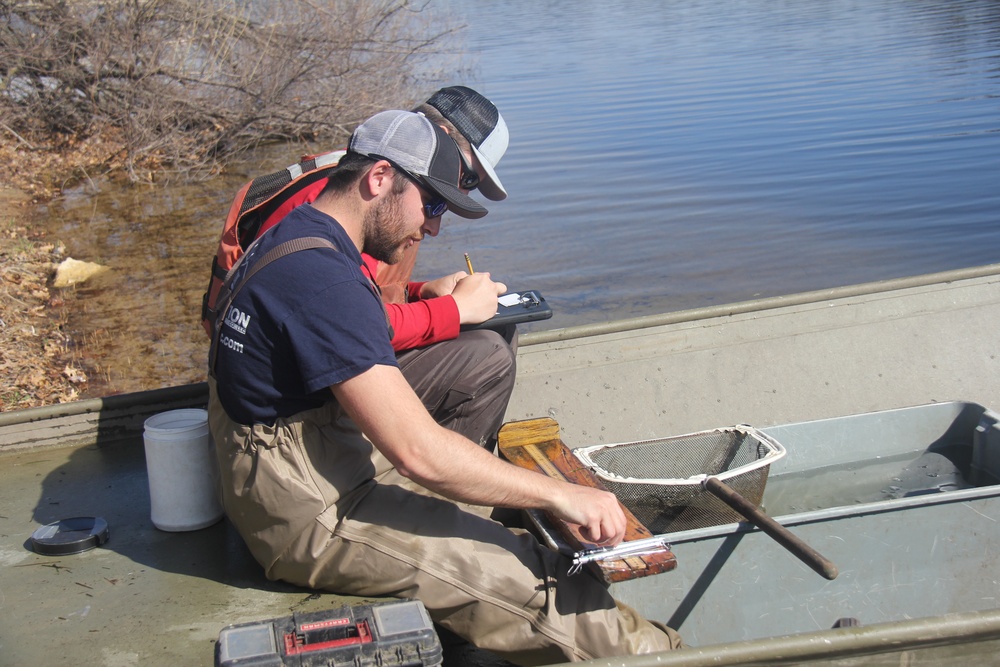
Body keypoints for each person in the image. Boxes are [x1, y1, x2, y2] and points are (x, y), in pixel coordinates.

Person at [207, 109, 683, 664]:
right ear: (379, 178)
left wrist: (422, 296)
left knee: (497, 500)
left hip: (308, 460)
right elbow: (417, 454)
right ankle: (664, 655)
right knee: (534, 585)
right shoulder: (322, 279)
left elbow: (348, 332)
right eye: (431, 205)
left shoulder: (303, 233)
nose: (432, 227)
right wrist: (563, 493)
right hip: (308, 513)